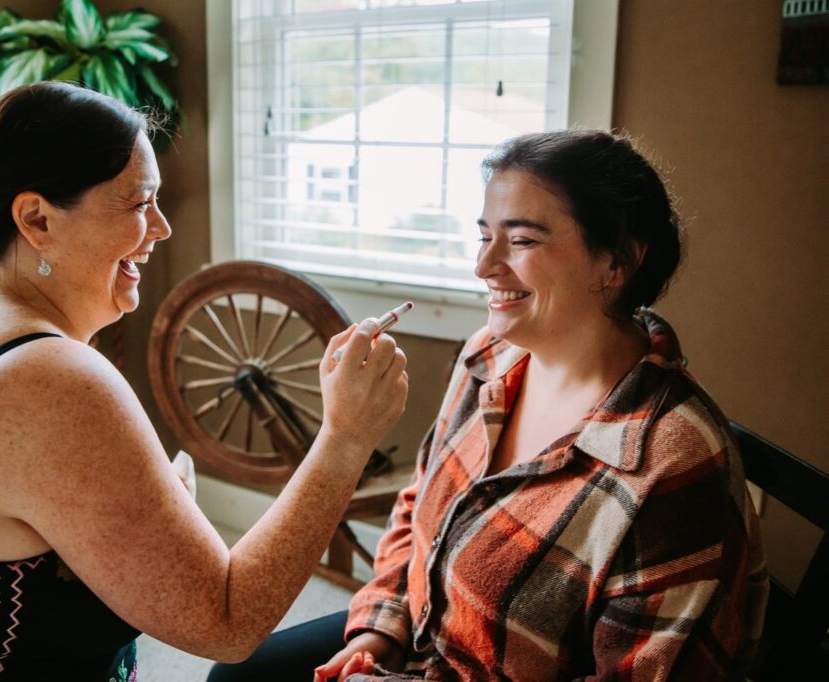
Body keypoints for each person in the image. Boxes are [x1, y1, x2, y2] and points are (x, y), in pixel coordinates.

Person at [0, 82, 408, 680]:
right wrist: (344, 438)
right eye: (137, 204)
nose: (161, 228)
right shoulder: (50, 379)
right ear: (37, 219)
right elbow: (228, 623)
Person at [208, 130, 768, 682]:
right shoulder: (488, 356)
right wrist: (378, 636)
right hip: (422, 646)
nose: (484, 267)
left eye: (521, 242)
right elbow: (417, 505)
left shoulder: (674, 467)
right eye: (484, 236)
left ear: (617, 263)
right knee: (234, 676)